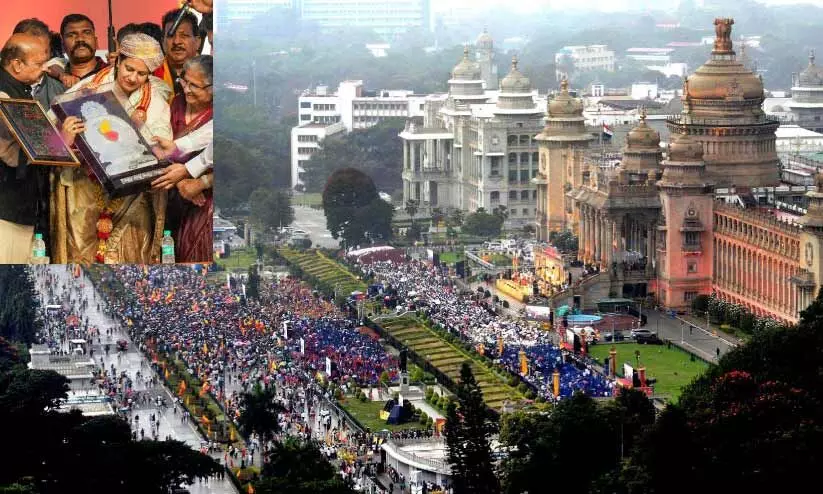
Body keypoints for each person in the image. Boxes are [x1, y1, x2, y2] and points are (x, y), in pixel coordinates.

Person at [51, 33, 172, 264]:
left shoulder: (156, 104)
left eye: (142, 73)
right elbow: (52, 144)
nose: (133, 77)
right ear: (117, 61)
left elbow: (165, 152)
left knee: (128, 257)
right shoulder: (85, 90)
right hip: (84, 190)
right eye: (129, 69)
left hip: (131, 194)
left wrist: (145, 143)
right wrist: (64, 136)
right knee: (80, 256)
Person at [151, 55, 213, 262]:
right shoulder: (175, 104)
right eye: (184, 81)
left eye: (194, 85)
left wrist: (199, 180)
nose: (186, 89)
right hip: (169, 194)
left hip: (203, 202)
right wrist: (179, 176)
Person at [0, 33, 51, 263]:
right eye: (39, 64)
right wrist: (63, 140)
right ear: (17, 64)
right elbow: (33, 146)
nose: (45, 69)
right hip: (7, 207)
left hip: (19, 204)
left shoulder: (18, 88)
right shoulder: (5, 94)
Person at [154, 8, 201, 100]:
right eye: (171, 35)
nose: (176, 41)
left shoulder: (211, 75)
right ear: (163, 42)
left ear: (198, 42)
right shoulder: (151, 74)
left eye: (184, 35)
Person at [60, 14, 108, 86]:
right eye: (71, 35)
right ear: (63, 44)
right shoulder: (54, 81)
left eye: (87, 33)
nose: (80, 39)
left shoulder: (113, 74)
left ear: (96, 41)